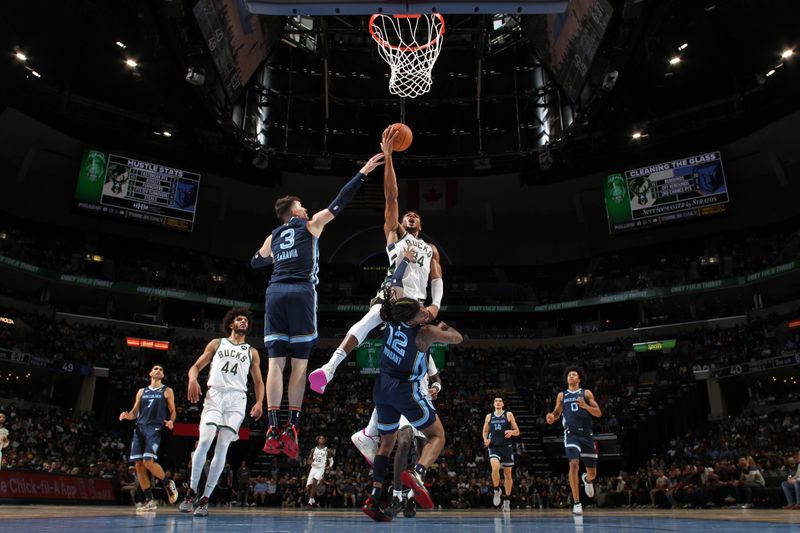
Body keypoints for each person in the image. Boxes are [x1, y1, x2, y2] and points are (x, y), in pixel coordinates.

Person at [309, 126, 445, 464]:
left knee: (400, 371)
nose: (410, 215)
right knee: (371, 318)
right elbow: (391, 197)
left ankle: (369, 432)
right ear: (399, 222)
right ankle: (330, 366)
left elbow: (437, 278)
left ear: (421, 223)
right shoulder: (395, 236)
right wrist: (389, 159)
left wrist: (436, 305)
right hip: (394, 297)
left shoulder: (430, 249)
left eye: (416, 215)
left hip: (415, 309)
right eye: (406, 215)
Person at [252, 153, 386, 458]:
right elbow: (340, 202)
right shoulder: (310, 225)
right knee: (299, 363)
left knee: (275, 363)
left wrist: (273, 257)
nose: (306, 208)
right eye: (301, 205)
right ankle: (293, 425)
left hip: (274, 292)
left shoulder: (272, 236)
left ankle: (273, 426)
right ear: (293, 212)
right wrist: (363, 171)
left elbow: (255, 261)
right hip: (300, 292)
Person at [362, 251, 463, 522]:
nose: (424, 310)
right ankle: (418, 472)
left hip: (382, 386)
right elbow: (457, 338)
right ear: (415, 318)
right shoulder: (424, 333)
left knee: (386, 444)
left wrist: (404, 260)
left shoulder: (394, 314)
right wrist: (442, 324)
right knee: (438, 436)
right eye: (421, 311)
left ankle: (374, 497)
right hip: (405, 389)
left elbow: (394, 281)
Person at [180, 308, 265, 517]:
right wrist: (192, 379)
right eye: (239, 319)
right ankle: (192, 490)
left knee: (223, 445)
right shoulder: (217, 343)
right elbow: (196, 366)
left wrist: (260, 402)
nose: (243, 321)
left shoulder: (252, 351)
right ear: (231, 324)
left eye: (246, 320)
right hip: (215, 395)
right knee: (205, 440)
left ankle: (205, 498)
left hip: (237, 399)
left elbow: (258, 381)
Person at [386, 356, 442, 518]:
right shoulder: (399, 352)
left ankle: (411, 498)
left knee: (421, 450)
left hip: (424, 405)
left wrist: (436, 388)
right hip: (405, 404)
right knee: (403, 442)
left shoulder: (426, 354)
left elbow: (436, 378)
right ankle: (396, 497)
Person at [119, 364, 178, 511]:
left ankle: (167, 483)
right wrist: (126, 416)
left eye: (161, 369)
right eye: (156, 369)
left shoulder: (167, 390)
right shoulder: (141, 391)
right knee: (138, 465)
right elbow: (134, 413)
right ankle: (150, 500)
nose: (158, 370)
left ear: (163, 375)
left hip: (154, 428)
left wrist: (171, 421)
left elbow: (173, 411)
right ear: (150, 373)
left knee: (147, 461)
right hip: (139, 428)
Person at [546, 366, 602, 516]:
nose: (571, 376)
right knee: (573, 463)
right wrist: (551, 416)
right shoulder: (561, 395)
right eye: (569, 375)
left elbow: (598, 413)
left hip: (587, 435)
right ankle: (577, 503)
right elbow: (557, 412)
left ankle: (587, 480)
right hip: (571, 434)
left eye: (574, 374)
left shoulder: (586, 393)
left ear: (579, 379)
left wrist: (586, 406)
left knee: (592, 474)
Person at [482, 397, 521, 511]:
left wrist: (512, 432)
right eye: (496, 401)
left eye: (500, 401)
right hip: (494, 446)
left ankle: (507, 500)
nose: (498, 403)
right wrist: (485, 440)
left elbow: (517, 431)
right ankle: (496, 490)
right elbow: (485, 431)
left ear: (503, 404)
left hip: (506, 447)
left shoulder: (509, 415)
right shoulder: (489, 416)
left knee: (508, 474)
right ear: (493, 404)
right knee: (495, 468)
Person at [306, 435, 334, 509]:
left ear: (325, 441)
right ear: (318, 440)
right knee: (308, 487)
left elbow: (331, 460)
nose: (321, 440)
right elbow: (308, 460)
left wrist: (330, 466)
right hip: (313, 468)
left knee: (314, 482)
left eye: (323, 439)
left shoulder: (327, 450)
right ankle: (313, 501)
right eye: (320, 438)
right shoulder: (313, 449)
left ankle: (309, 504)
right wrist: (309, 461)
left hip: (321, 469)